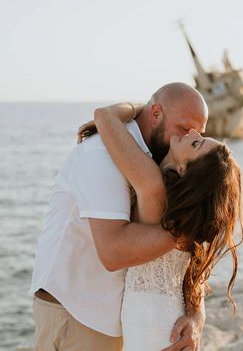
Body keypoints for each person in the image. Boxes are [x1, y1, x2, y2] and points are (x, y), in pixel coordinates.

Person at [30, 82, 209, 351]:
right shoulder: (101, 154)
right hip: (80, 315)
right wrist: (187, 232)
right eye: (184, 128)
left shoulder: (171, 166)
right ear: (156, 113)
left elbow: (192, 263)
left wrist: (196, 315)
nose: (189, 136)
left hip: (128, 321)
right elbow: (113, 252)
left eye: (198, 133)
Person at [77, 100, 243, 350]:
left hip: (149, 318)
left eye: (197, 142)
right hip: (168, 314)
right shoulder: (188, 215)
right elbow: (191, 276)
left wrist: (148, 108)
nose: (193, 133)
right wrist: (196, 315)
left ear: (182, 169)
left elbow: (105, 116)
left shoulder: (152, 187)